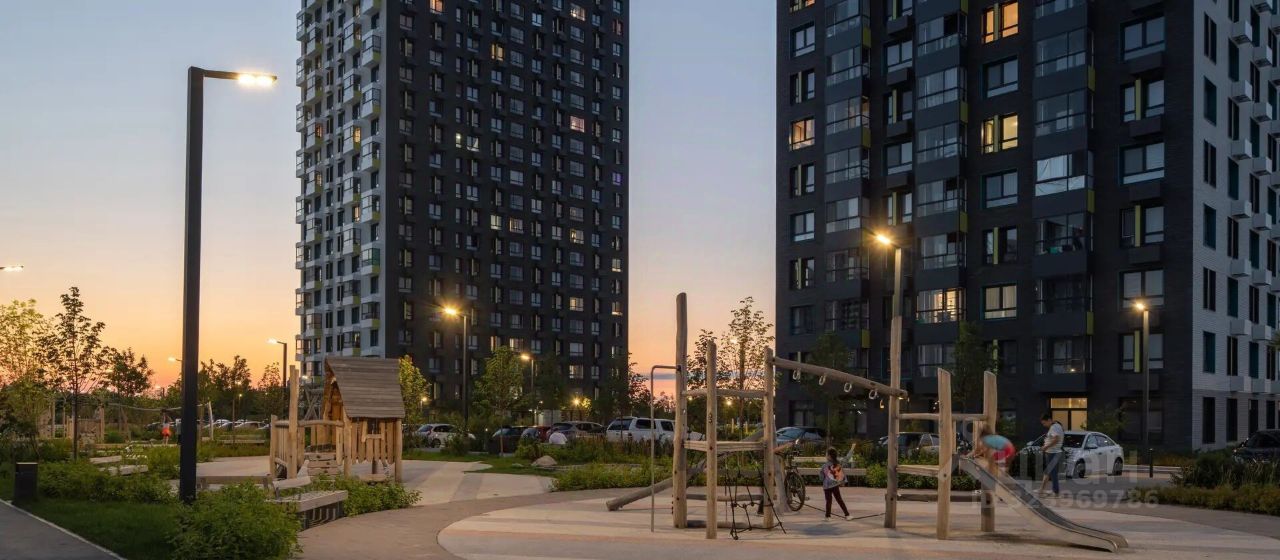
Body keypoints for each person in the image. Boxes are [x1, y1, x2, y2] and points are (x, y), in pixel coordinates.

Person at [820, 446, 852, 520]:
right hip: (835, 485)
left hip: (827, 486)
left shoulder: (824, 466)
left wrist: (823, 479)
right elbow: (846, 459)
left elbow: (821, 476)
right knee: (839, 500)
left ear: (829, 456)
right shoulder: (838, 463)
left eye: (826, 454)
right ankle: (847, 515)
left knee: (828, 501)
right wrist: (851, 450)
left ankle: (827, 516)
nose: (825, 455)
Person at [1037, 413, 1065, 497]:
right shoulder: (1057, 425)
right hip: (1053, 452)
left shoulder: (1054, 427)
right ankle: (1043, 489)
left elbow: (1056, 439)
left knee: (1051, 472)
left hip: (1053, 453)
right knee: (1049, 472)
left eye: (1044, 423)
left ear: (1049, 420)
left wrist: (1045, 447)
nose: (1044, 425)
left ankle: (1055, 492)